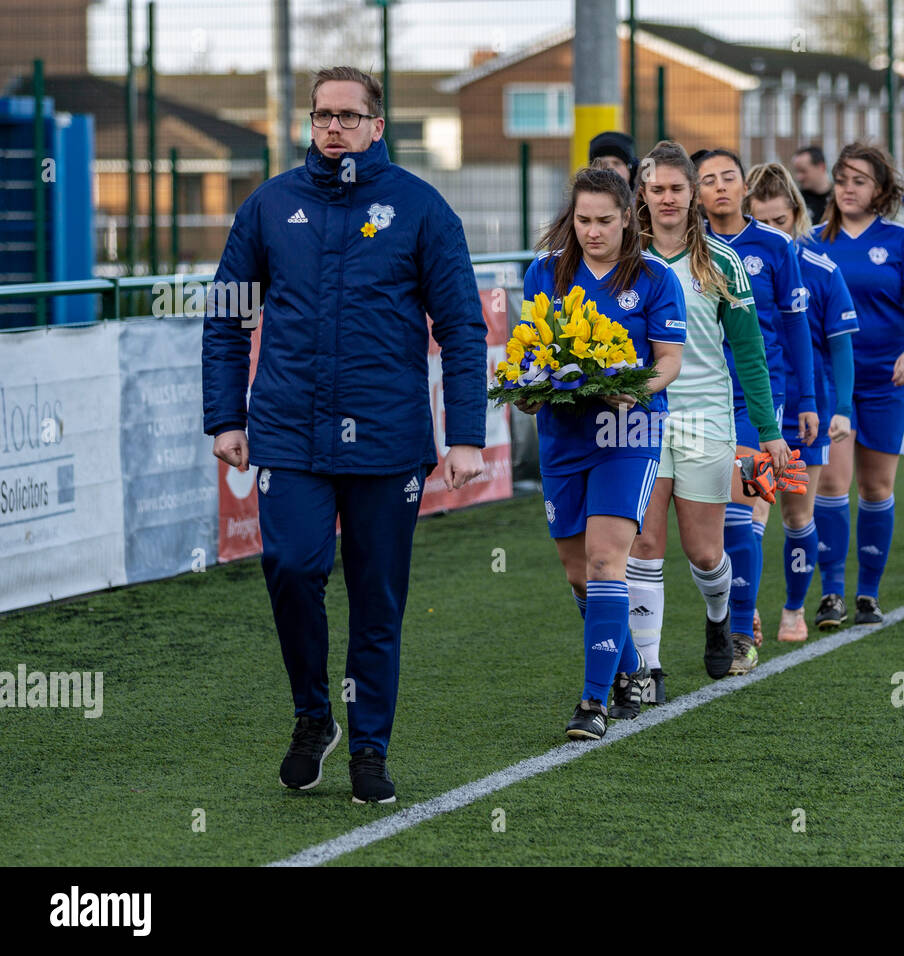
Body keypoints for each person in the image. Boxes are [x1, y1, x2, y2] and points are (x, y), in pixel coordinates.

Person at [202, 66, 487, 804]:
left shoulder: (421, 208)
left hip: (389, 438)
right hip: (288, 434)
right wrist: (225, 416)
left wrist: (465, 436)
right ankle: (312, 718)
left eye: (348, 117)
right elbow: (228, 316)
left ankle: (369, 747)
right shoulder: (268, 206)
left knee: (375, 599)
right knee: (294, 569)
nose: (333, 128)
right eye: (322, 116)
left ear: (377, 125)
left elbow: (461, 328)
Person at [521, 166, 685, 740]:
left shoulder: (655, 277)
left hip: (629, 435)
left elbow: (668, 360)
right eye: (583, 221)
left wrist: (639, 388)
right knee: (577, 573)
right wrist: (527, 388)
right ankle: (632, 666)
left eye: (605, 222)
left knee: (604, 560)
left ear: (628, 219)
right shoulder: (545, 272)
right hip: (563, 437)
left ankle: (592, 703)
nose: (593, 232)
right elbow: (533, 352)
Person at [629, 141, 788, 703]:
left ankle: (721, 616)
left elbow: (749, 354)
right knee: (644, 543)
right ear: (642, 195)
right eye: (657, 189)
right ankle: (647, 669)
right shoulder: (627, 261)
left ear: (692, 193)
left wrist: (768, 431)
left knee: (703, 552)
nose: (668, 198)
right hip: (641, 419)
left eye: (678, 188)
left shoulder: (723, 262)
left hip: (707, 421)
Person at [695, 148, 817, 673]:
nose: (720, 187)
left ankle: (741, 629)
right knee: (706, 525)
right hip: (695, 397)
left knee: (742, 510)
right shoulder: (683, 247)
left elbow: (795, 328)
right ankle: (728, 613)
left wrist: (807, 399)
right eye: (708, 180)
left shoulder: (774, 246)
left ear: (745, 186)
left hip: (755, 398)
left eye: (729, 177)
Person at [809, 142, 904, 626]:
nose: (847, 189)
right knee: (833, 483)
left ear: (880, 189)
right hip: (830, 382)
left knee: (876, 487)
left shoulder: (902, 241)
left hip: (887, 378)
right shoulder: (813, 241)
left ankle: (868, 594)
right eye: (842, 180)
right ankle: (832, 593)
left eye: (859, 181)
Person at [745, 162, 856, 641]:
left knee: (796, 513)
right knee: (749, 512)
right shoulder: (731, 264)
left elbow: (839, 347)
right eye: (761, 220)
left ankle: (793, 608)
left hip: (803, 416)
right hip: (752, 411)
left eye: (780, 221)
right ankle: (743, 608)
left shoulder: (821, 271)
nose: (771, 230)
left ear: (797, 214)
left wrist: (842, 408)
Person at [792, 145, 833, 224]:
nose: (799, 177)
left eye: (803, 171)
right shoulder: (796, 201)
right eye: (797, 171)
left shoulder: (840, 198)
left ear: (821, 167)